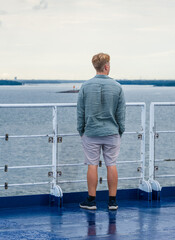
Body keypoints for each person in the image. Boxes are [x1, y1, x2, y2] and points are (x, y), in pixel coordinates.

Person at [77, 53, 125, 210]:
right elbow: (121, 114)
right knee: (111, 164)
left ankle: (91, 200)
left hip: (91, 132)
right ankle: (112, 201)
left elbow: (80, 112)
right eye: (109, 64)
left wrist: (81, 131)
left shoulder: (85, 86)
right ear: (106, 66)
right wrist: (120, 130)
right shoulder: (117, 87)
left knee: (92, 164)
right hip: (112, 132)